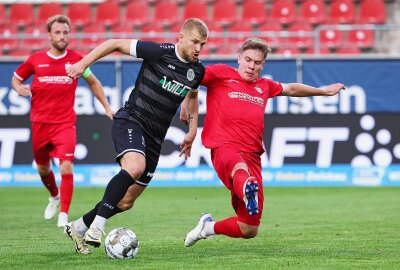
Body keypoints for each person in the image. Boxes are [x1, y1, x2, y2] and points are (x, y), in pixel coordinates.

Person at [64, 18, 208, 254]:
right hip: (132, 120)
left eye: (203, 44)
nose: (198, 48)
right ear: (181, 38)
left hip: (155, 138)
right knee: (135, 166)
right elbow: (113, 43)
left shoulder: (196, 71)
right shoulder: (158, 52)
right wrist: (82, 64)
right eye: (195, 42)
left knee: (126, 201)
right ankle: (97, 228)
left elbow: (192, 98)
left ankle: (79, 227)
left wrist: (192, 130)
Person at [182, 38, 346, 247]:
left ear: (263, 65)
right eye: (248, 60)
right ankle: (247, 188)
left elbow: (292, 89)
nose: (251, 66)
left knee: (249, 228)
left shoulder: (265, 86)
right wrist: (187, 100)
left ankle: (207, 227)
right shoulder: (222, 73)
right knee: (239, 168)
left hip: (252, 155)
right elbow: (190, 77)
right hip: (224, 147)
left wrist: (323, 91)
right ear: (239, 58)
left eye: (257, 63)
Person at [11, 15, 114, 228]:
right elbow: (16, 78)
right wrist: (18, 87)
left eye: (65, 32)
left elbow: (93, 82)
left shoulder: (77, 60)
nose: (62, 36)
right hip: (39, 124)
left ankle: (64, 215)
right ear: (49, 35)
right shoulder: (35, 59)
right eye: (57, 32)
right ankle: (54, 196)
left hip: (65, 124)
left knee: (66, 166)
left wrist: (106, 107)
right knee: (43, 169)